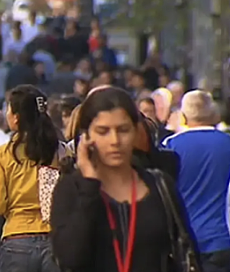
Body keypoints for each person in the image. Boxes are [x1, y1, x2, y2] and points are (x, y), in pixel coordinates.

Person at [50, 86, 199, 272]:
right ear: (87, 136)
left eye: (123, 130)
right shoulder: (71, 188)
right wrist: (89, 185)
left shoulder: (160, 186)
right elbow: (69, 258)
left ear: (136, 132)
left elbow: (185, 249)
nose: (115, 141)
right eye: (103, 131)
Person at [0, 85, 61, 272]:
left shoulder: (2, 154)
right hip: (53, 238)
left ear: (17, 117)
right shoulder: (57, 151)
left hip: (16, 238)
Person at [163, 90, 230, 272]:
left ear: (183, 115)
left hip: (183, 241)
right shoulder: (227, 143)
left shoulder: (170, 146)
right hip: (221, 239)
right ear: (213, 113)